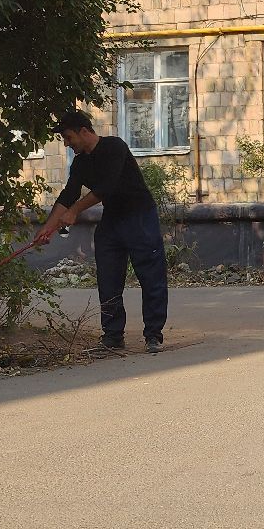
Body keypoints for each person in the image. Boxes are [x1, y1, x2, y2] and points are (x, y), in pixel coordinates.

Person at [33, 111, 169, 353]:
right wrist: (48, 227)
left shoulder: (114, 147)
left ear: (84, 131)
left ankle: (153, 335)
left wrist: (75, 211)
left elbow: (107, 187)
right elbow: (69, 194)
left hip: (140, 216)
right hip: (112, 220)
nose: (66, 144)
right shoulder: (80, 163)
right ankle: (113, 335)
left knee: (151, 277)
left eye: (68, 137)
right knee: (108, 278)